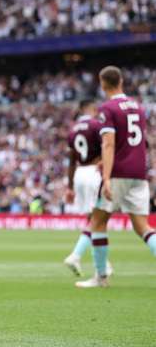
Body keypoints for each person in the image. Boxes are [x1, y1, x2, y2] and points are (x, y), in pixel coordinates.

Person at [76, 66, 154, 288]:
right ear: (120, 81)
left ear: (103, 84)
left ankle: (101, 277)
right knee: (143, 227)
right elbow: (141, 142)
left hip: (118, 172)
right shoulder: (138, 107)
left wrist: (107, 177)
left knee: (98, 222)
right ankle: (100, 277)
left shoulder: (107, 108)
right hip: (139, 173)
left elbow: (108, 143)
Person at [62, 100, 112, 276]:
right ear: (90, 109)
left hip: (79, 174)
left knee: (94, 218)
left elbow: (70, 161)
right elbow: (106, 147)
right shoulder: (97, 125)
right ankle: (76, 255)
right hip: (94, 172)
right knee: (98, 218)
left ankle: (104, 263)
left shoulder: (72, 129)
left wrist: (69, 187)